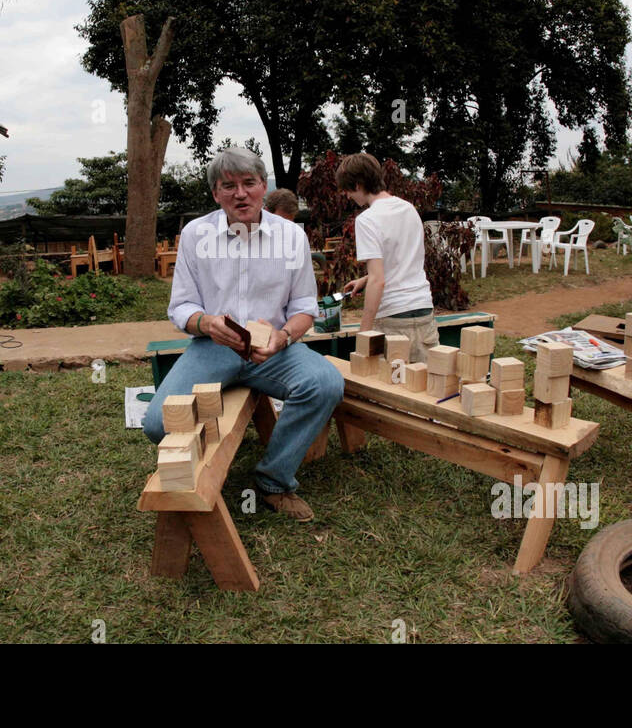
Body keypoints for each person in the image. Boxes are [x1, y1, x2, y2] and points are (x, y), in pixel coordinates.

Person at [143, 147, 343, 522]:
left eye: (249, 183)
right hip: (213, 347)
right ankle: (205, 463)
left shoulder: (291, 236)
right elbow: (181, 307)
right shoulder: (195, 234)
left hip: (274, 349)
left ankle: (273, 480)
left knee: (325, 383)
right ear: (216, 194)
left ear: (263, 187)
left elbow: (305, 308)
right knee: (157, 423)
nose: (240, 193)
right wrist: (207, 324)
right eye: (228, 185)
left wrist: (282, 338)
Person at [338, 153, 437, 363]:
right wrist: (364, 280)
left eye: (347, 190)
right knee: (427, 387)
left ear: (358, 184)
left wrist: (363, 334)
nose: (347, 196)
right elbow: (404, 261)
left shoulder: (367, 220)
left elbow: (379, 280)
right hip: (423, 310)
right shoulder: (408, 209)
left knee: (392, 390)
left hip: (393, 318)